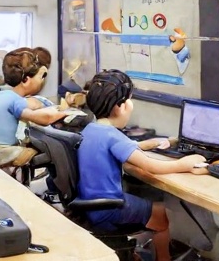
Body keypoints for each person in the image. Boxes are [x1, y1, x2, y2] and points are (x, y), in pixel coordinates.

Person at [78, 70, 207, 261]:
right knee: (162, 216)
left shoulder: (92, 129)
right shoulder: (113, 136)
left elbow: (125, 147)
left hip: (91, 205)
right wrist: (185, 164)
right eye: (130, 100)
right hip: (110, 208)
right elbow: (150, 166)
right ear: (120, 106)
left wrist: (155, 142)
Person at [0, 49, 66, 168]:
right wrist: (65, 113)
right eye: (40, 77)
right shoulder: (16, 101)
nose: (42, 81)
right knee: (53, 150)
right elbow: (45, 118)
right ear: (26, 80)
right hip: (5, 153)